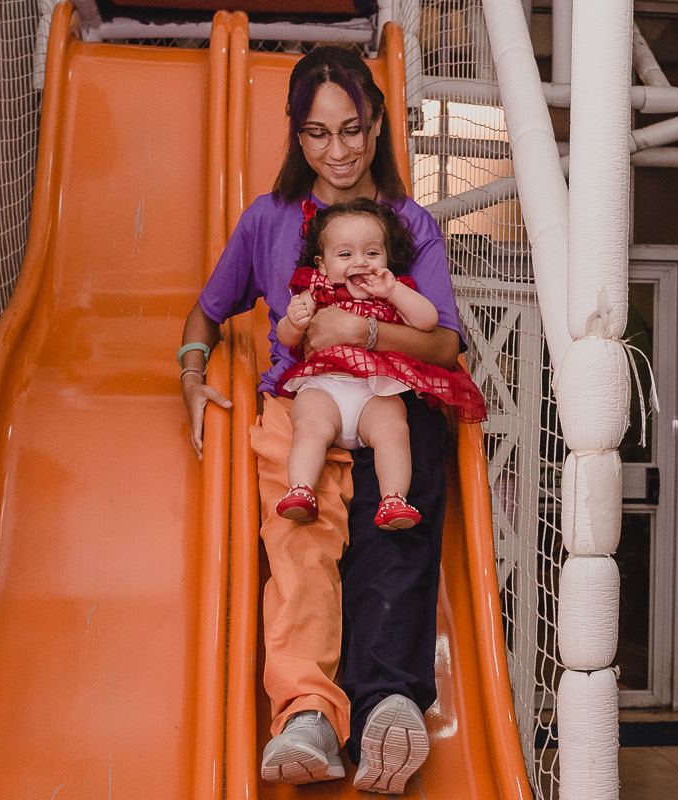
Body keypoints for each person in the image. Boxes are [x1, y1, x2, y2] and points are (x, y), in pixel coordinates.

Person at [178, 45, 470, 794]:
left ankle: (385, 706)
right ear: (296, 134)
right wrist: (191, 374)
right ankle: (306, 712)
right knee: (298, 539)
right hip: (303, 401)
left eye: (351, 129)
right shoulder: (269, 220)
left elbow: (444, 343)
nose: (337, 150)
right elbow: (208, 311)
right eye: (317, 132)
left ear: (376, 125)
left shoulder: (408, 224)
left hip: (386, 397)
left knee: (394, 525)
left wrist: (364, 331)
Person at [273, 198, 485, 532]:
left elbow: (428, 321)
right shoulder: (315, 292)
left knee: (394, 430)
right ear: (323, 265)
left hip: (375, 391)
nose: (360, 262)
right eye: (345, 255)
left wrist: (394, 290)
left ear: (387, 257)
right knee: (310, 427)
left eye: (372, 253)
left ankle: (393, 499)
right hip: (325, 386)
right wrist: (294, 321)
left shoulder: (391, 294)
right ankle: (301, 490)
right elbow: (287, 337)